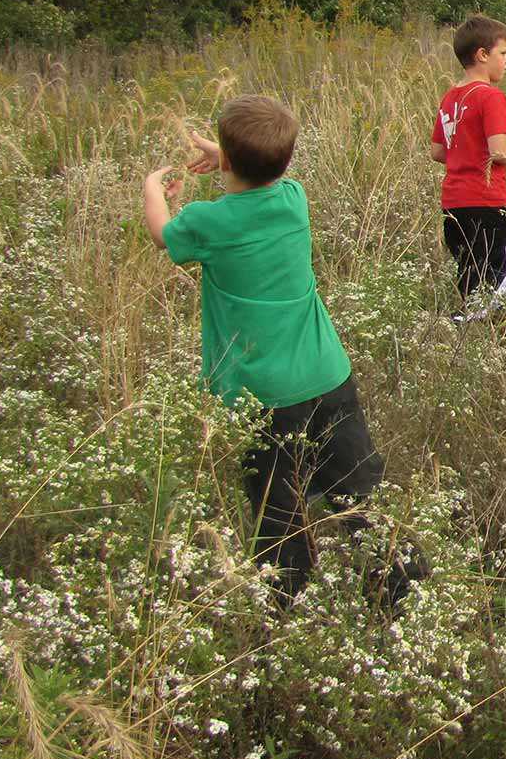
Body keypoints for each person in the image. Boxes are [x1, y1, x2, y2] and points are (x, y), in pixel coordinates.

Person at [142, 96, 408, 603]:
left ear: (227, 157)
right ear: (284, 161)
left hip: (263, 395)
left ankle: (288, 599)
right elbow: (261, 175)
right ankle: (395, 586)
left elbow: (162, 234)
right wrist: (227, 156)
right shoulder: (294, 199)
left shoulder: (207, 222)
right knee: (358, 489)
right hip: (328, 376)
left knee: (277, 505)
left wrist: (153, 188)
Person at [431, 16, 506, 323]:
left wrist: (466, 154)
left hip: (454, 205)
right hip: (487, 201)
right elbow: (498, 151)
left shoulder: (450, 98)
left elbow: (438, 151)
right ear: (482, 55)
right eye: (503, 53)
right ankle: (469, 323)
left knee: (471, 274)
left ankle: (472, 332)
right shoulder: (490, 96)